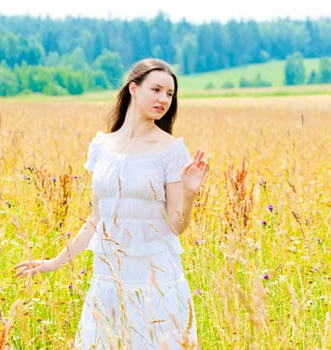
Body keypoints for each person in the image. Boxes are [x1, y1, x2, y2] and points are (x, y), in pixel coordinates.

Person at [14, 58, 209, 349]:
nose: (163, 99)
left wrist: (191, 194)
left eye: (170, 94)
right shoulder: (101, 146)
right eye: (156, 89)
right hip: (109, 277)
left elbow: (177, 226)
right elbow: (96, 218)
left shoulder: (172, 150)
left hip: (155, 278)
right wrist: (54, 262)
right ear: (133, 88)